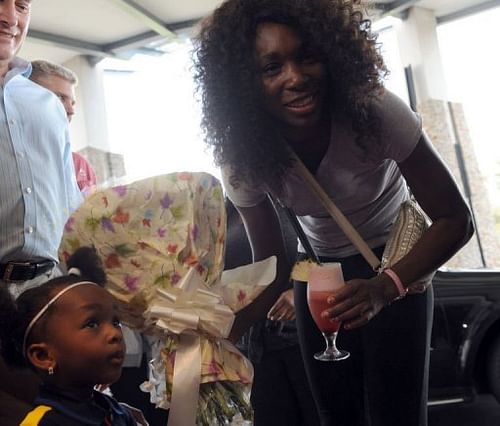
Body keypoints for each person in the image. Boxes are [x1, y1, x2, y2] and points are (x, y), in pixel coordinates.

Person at [193, 1, 474, 425]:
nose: (295, 77)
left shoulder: (377, 112)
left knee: (395, 414)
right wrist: (221, 330)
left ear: (332, 54)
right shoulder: (242, 157)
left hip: (398, 265)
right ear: (244, 84)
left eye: (307, 57)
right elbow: (272, 267)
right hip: (320, 274)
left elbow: (456, 219)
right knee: (336, 415)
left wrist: (385, 287)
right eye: (272, 68)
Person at [0, 1, 82, 422]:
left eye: (21, 4)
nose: (10, 18)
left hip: (50, 300)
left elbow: (72, 207)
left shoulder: (44, 105)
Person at [0, 247, 140, 425]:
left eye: (115, 322)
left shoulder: (116, 412)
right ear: (44, 356)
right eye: (92, 324)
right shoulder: (46, 422)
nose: (114, 334)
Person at [225, 198, 320, 426]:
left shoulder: (290, 199)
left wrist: (297, 293)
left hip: (301, 340)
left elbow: (322, 250)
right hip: (253, 351)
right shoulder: (224, 213)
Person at [30, 59, 98, 197]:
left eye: (72, 103)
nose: (71, 110)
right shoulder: (8, 159)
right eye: (60, 98)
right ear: (27, 96)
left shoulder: (80, 165)